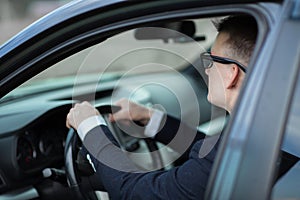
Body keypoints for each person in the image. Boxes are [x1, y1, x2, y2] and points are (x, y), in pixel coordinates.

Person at [66, 15, 258, 199]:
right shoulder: (261, 132)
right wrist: (151, 119)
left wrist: (91, 128)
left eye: (210, 61)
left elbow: (136, 195)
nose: (206, 70)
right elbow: (212, 155)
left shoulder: (250, 143)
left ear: (231, 74)